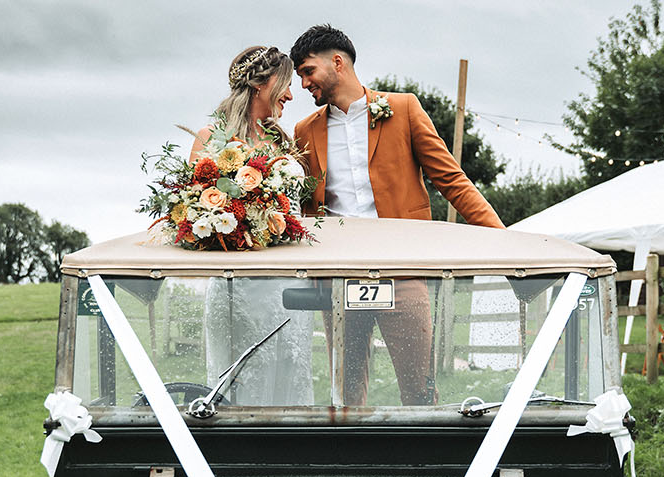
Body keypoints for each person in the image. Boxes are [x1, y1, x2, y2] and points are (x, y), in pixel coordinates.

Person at [289, 24, 503, 406]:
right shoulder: (304, 130)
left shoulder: (403, 109)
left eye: (308, 71)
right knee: (345, 391)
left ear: (337, 62)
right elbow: (304, 206)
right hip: (337, 276)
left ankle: (427, 462)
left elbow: (451, 180)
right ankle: (350, 460)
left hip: (403, 269)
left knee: (419, 387)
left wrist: (504, 239)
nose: (304, 84)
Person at [189, 45, 314, 406]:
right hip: (236, 289)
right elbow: (198, 216)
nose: (291, 94)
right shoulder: (210, 140)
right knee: (235, 390)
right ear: (262, 84)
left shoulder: (283, 142)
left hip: (288, 289)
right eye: (286, 84)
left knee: (289, 380)